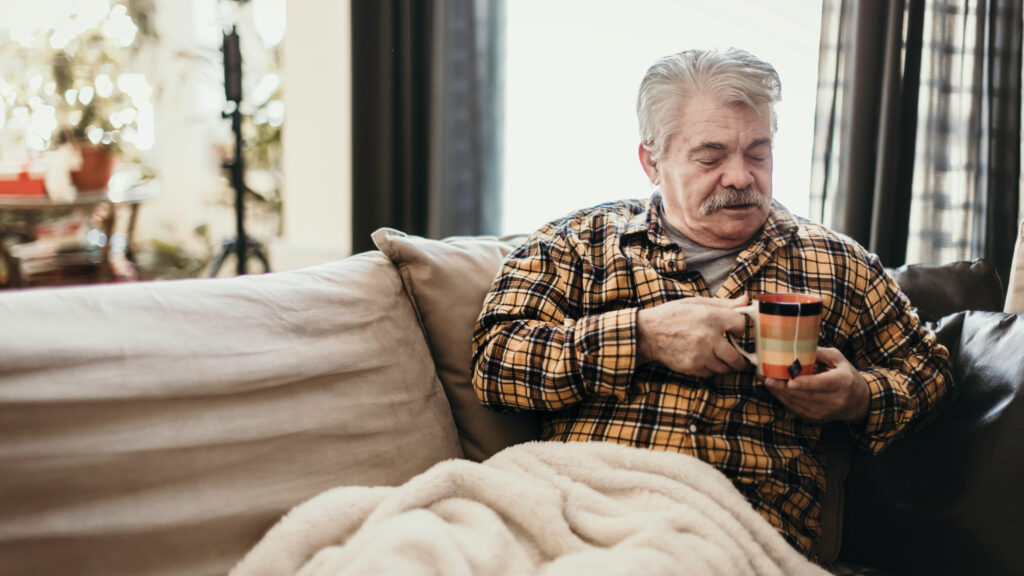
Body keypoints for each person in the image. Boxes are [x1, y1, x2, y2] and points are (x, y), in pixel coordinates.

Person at [471, 48, 953, 560]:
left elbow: (930, 373)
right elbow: (495, 362)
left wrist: (860, 396)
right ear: (651, 161)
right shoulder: (577, 244)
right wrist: (643, 336)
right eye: (711, 155)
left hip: (736, 532)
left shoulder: (838, 263)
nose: (741, 177)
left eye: (758, 153)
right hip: (575, 503)